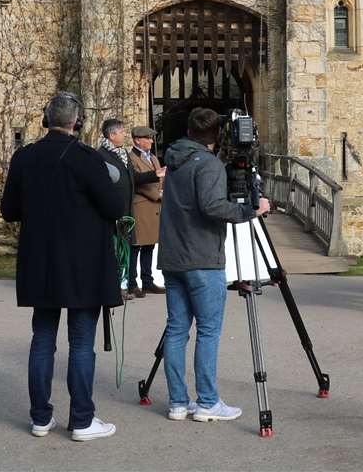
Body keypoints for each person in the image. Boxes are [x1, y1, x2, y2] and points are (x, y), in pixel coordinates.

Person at [0, 91, 125, 442]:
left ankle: (41, 417)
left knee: (42, 338)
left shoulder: (24, 157)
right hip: (83, 263)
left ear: (46, 119)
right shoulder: (86, 158)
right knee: (82, 341)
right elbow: (114, 207)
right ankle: (82, 419)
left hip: (40, 261)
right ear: (78, 122)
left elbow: (9, 210)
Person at [156, 107, 270, 423]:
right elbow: (212, 206)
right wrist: (251, 210)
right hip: (203, 258)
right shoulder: (207, 165)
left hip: (174, 256)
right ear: (216, 135)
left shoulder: (174, 159)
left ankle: (179, 402)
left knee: (177, 330)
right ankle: (207, 402)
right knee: (208, 330)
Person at [95, 118, 136, 300]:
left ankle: (123, 286)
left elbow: (131, 179)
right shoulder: (101, 155)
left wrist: (154, 175)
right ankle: (113, 287)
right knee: (113, 250)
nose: (125, 134)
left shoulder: (123, 153)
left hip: (126, 212)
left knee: (124, 251)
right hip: (112, 213)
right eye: (122, 132)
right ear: (112, 135)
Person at [128, 125, 165, 295]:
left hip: (154, 207)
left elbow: (160, 179)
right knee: (135, 247)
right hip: (141, 207)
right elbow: (136, 182)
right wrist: (158, 194)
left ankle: (148, 280)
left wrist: (162, 191)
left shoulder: (153, 157)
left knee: (149, 246)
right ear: (137, 140)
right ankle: (132, 282)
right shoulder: (130, 158)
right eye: (147, 138)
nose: (151, 141)